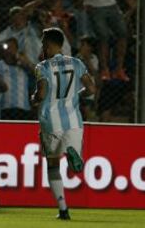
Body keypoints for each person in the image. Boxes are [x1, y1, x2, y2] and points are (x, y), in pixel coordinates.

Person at [31, 28, 96, 220]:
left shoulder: (42, 67)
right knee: (72, 153)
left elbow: (42, 93)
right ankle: (73, 153)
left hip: (51, 122)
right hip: (74, 120)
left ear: (50, 45)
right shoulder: (77, 63)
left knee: (52, 164)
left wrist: (34, 98)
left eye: (44, 44)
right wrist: (76, 95)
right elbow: (91, 88)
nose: (43, 48)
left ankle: (63, 209)